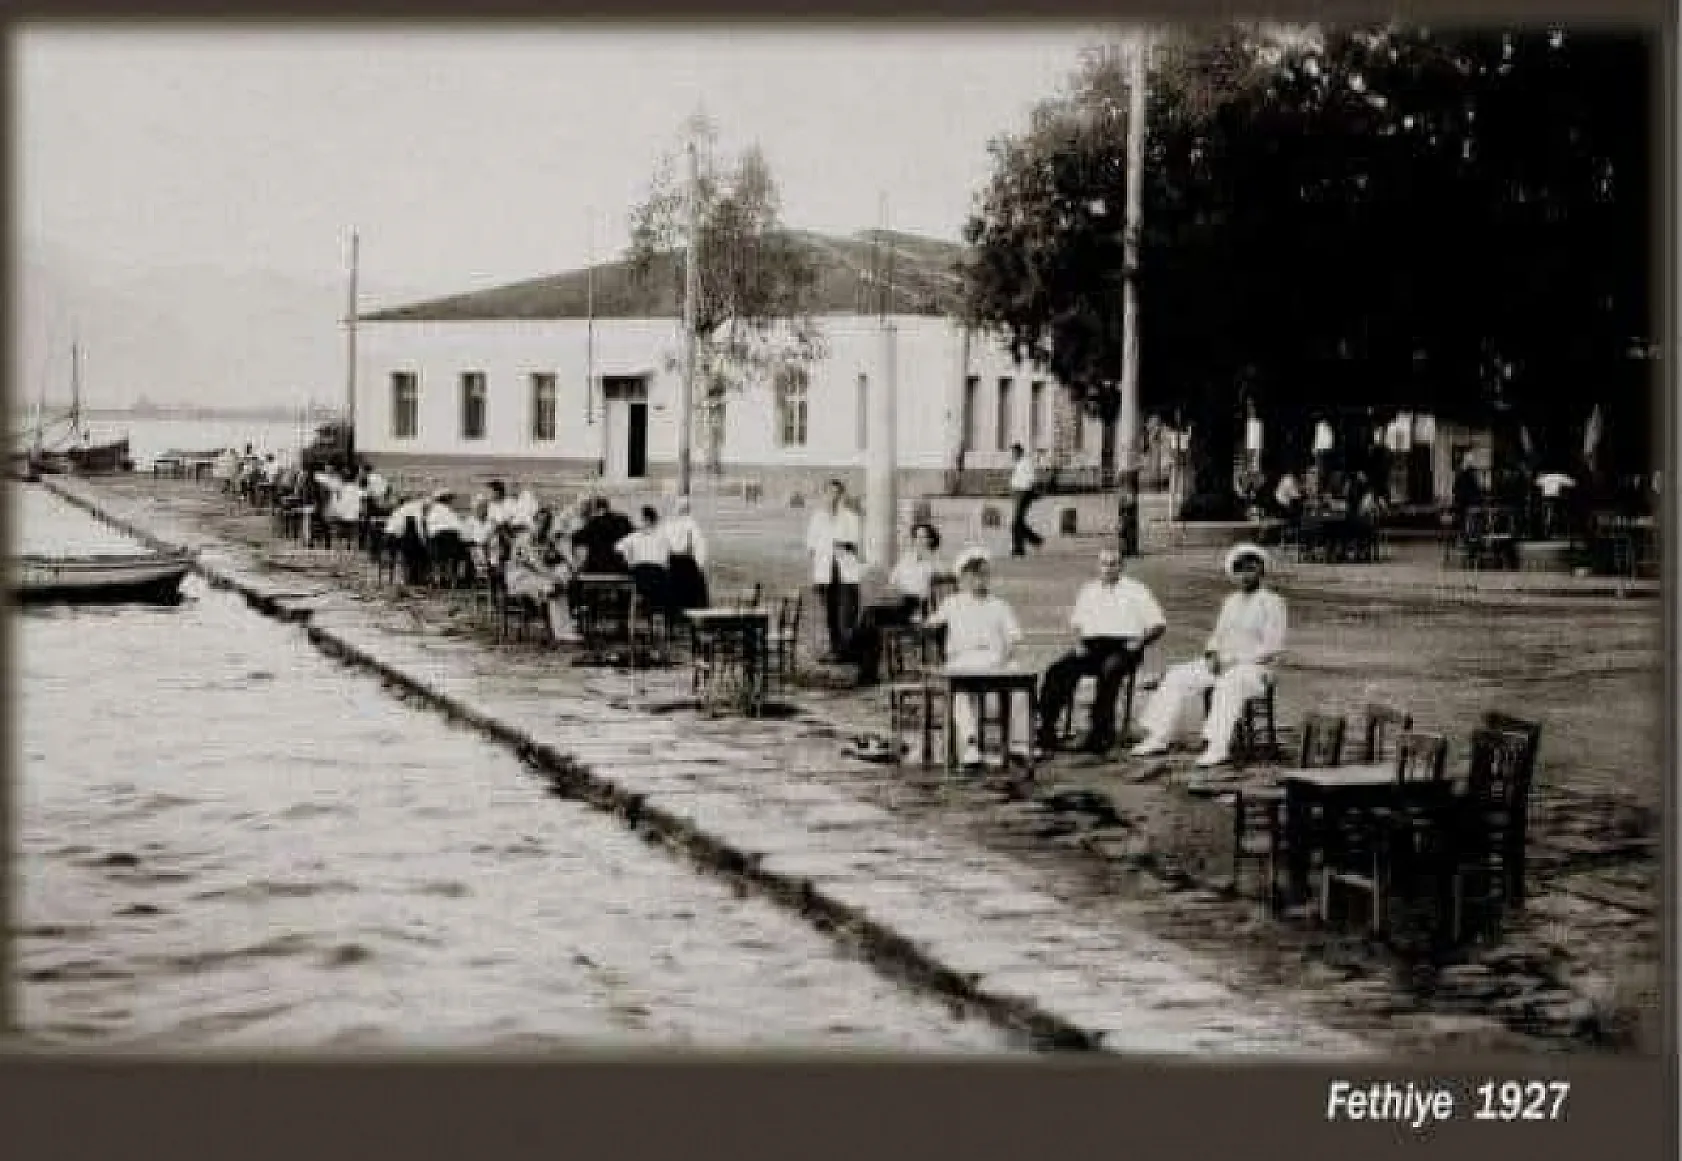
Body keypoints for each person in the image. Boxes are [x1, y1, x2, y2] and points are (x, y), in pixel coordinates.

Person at [1130, 543, 1287, 768]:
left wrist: (1235, 661)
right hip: (1222, 662)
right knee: (1177, 675)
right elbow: (1217, 635)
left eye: (1251, 569)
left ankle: (1217, 746)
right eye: (1240, 570)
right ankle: (1158, 736)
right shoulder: (1231, 601)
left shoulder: (1272, 602)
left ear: (1261, 571)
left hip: (1256, 668)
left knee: (1228, 684)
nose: (1245, 575)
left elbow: (1273, 646)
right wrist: (1212, 653)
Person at [1036, 548, 1167, 755]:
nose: (1108, 568)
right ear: (1098, 566)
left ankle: (1099, 734)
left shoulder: (1136, 590)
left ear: (1121, 567)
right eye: (1104, 564)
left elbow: (1159, 625)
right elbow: (1078, 623)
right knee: (1058, 669)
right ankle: (1046, 729)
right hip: (1092, 645)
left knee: (1110, 670)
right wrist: (1079, 642)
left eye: (1113, 564)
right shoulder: (1089, 590)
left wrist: (1140, 642)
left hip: (1125, 646)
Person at [925, 546, 1032, 770]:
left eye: (984, 574)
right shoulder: (952, 603)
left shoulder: (999, 605)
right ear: (962, 578)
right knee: (959, 690)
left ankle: (1018, 744)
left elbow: (1014, 636)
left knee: (1021, 687)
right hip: (963, 660)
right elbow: (930, 625)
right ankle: (970, 744)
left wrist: (1006, 654)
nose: (979, 580)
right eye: (973, 575)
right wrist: (924, 624)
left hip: (995, 661)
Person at [852, 522, 942, 686]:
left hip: (913, 606)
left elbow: (933, 585)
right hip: (896, 601)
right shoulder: (906, 559)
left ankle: (858, 660)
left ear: (931, 539)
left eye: (924, 537)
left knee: (869, 617)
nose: (919, 540)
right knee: (869, 619)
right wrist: (888, 592)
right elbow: (892, 581)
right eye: (917, 537)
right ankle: (867, 672)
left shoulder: (933, 562)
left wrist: (925, 558)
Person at [806, 479, 864, 661]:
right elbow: (811, 545)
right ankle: (835, 648)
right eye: (829, 493)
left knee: (846, 612)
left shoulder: (851, 518)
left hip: (845, 569)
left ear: (842, 495)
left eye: (836, 493)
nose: (832, 497)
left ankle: (848, 649)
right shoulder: (817, 517)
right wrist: (821, 556)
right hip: (824, 570)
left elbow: (855, 544)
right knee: (829, 611)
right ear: (824, 495)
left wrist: (842, 545)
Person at [505, 507, 581, 645]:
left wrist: (564, 559)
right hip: (519, 577)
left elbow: (558, 560)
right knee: (553, 586)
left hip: (536, 577)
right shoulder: (524, 539)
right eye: (540, 522)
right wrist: (553, 576)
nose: (542, 527)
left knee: (556, 586)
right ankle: (560, 630)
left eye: (546, 523)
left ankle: (563, 629)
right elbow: (535, 564)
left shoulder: (546, 540)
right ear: (534, 522)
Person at [617, 505, 672, 611]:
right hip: (658, 575)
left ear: (646, 520)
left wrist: (629, 559)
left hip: (640, 574)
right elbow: (666, 560)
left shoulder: (633, 537)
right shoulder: (663, 537)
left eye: (639, 519)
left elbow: (618, 549)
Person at [663, 496, 711, 611]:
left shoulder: (668, 525)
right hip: (688, 567)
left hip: (674, 567)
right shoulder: (692, 526)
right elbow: (700, 550)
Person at [574, 496, 635, 574]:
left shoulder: (593, 524)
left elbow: (576, 540)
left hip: (598, 569)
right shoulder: (624, 521)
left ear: (597, 510)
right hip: (621, 568)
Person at [1008, 443, 1043, 557]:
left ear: (1019, 452)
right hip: (1018, 492)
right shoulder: (1019, 463)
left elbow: (1032, 479)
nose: (1012, 455)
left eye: (1014, 453)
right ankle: (1034, 540)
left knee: (1015, 522)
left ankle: (1019, 548)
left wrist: (1032, 491)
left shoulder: (1026, 463)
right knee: (1018, 522)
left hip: (1024, 493)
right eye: (1012, 453)